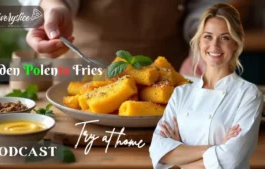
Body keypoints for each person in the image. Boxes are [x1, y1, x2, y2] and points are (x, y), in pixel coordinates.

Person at [149, 3, 263, 169]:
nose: (214, 46)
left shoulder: (248, 94)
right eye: (208, 36)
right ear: (199, 41)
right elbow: (158, 151)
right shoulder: (181, 92)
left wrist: (181, 152)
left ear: (236, 43)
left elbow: (230, 160)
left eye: (224, 37)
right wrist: (215, 149)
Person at [19, 0, 231, 70]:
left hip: (176, 72)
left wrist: (207, 37)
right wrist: (53, 4)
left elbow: (205, 3)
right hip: (77, 70)